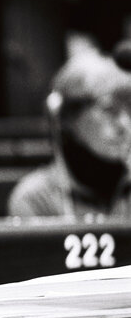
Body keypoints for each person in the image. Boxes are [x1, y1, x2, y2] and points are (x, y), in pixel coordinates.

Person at [8, 52, 131, 218]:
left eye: (130, 109)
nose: (125, 125)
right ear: (66, 118)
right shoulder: (35, 199)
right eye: (110, 110)